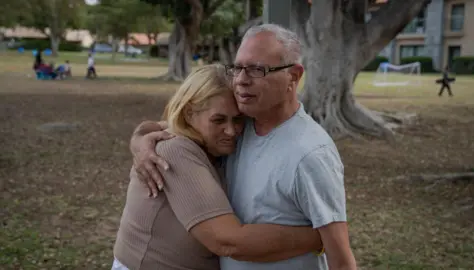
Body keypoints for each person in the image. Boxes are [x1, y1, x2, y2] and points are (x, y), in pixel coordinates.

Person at [130, 24, 357, 269]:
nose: (240, 80)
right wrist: (141, 140)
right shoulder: (241, 126)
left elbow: (342, 260)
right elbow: (178, 126)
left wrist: (323, 238)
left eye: (257, 70)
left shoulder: (310, 154)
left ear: (293, 76)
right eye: (238, 68)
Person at [112, 64, 324, 270]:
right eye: (219, 120)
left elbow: (155, 125)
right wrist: (321, 236)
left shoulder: (215, 144)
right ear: (189, 114)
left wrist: (139, 137)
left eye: (238, 120)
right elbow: (227, 241)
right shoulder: (175, 150)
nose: (231, 131)